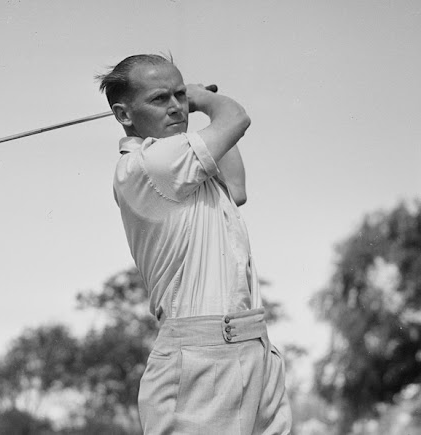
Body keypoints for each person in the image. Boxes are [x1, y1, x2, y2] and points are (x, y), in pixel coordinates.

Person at [97, 54, 292, 434]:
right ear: (123, 115)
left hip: (252, 345)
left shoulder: (185, 168)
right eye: (160, 99)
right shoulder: (150, 164)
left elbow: (237, 188)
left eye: (179, 95)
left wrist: (195, 107)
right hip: (203, 356)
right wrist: (201, 99)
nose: (176, 107)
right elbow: (236, 119)